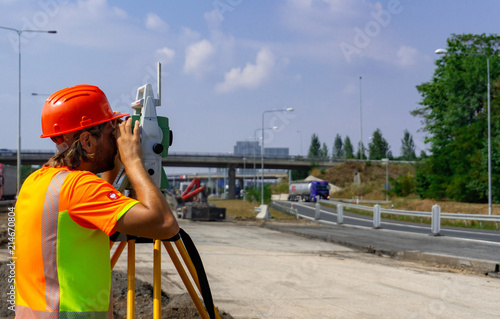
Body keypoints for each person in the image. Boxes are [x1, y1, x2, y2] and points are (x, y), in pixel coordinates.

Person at [14, 84, 179, 318]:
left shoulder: (36, 181)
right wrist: (133, 161)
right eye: (111, 131)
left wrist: (115, 160)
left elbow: (99, 204)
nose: (117, 138)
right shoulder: (80, 189)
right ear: (87, 141)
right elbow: (164, 224)